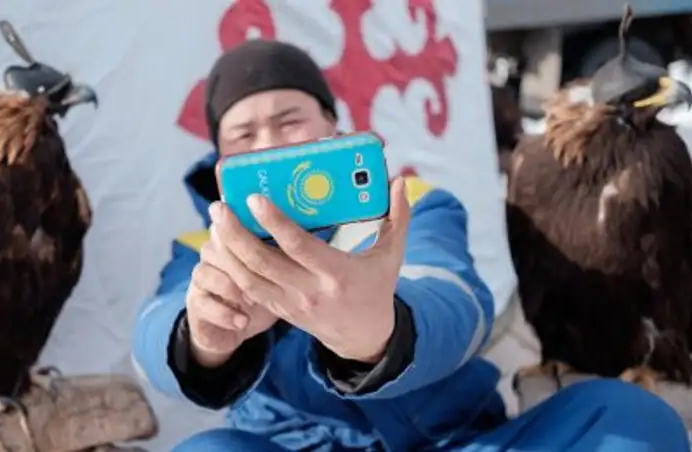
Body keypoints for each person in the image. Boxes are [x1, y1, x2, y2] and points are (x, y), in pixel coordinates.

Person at [132, 39, 689, 451]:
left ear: (332, 125)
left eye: (290, 121)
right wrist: (202, 338)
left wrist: (381, 331)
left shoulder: (412, 204)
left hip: (455, 443)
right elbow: (155, 328)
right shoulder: (203, 247)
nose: (272, 144)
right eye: (244, 135)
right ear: (220, 159)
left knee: (625, 417)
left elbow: (459, 301)